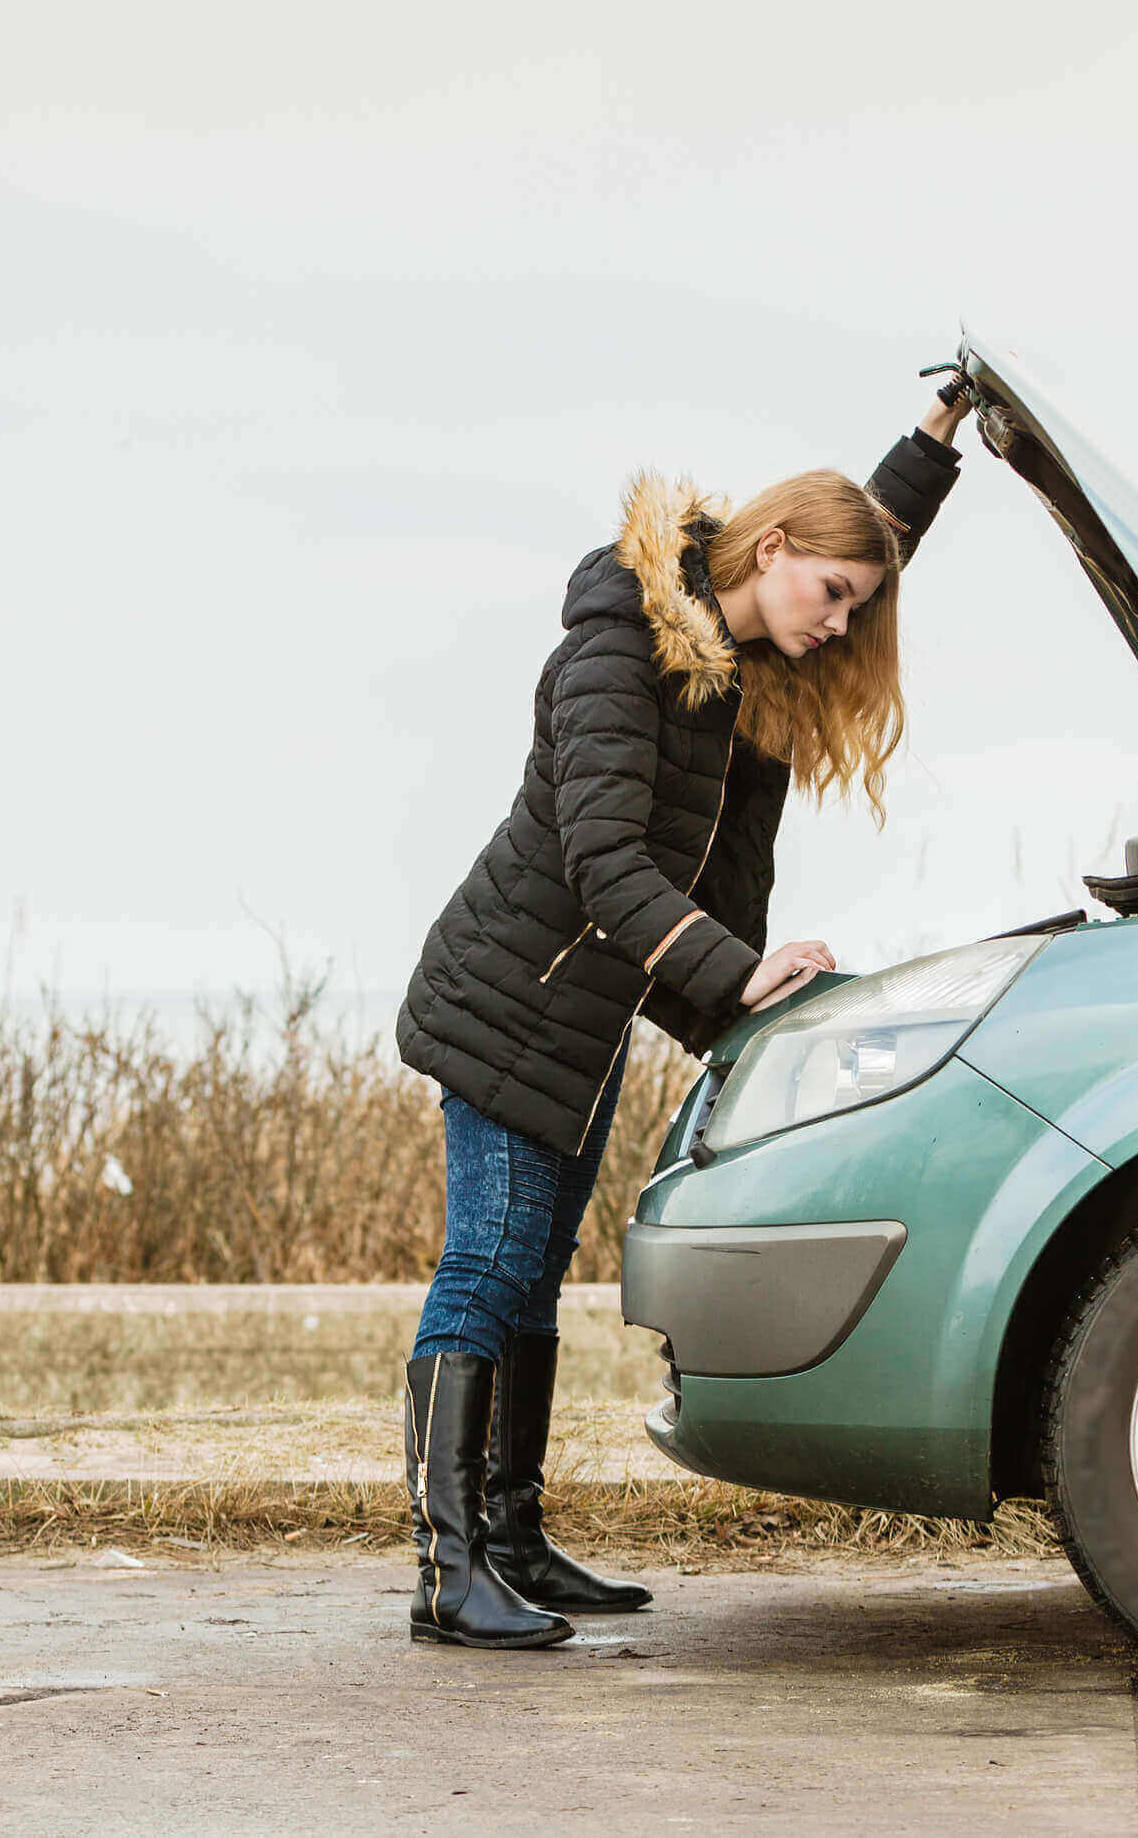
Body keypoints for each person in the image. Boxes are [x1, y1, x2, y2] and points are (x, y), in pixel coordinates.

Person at [391, 376, 975, 1647]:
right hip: (511, 1000)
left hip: (586, 1010)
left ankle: (512, 1538)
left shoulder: (752, 642)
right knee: (485, 1268)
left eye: (858, 607)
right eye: (832, 598)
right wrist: (734, 974)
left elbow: (860, 534)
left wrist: (932, 448)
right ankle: (447, 1574)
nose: (841, 626)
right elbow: (604, 865)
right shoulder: (617, 652)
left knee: (532, 1276)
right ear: (771, 553)